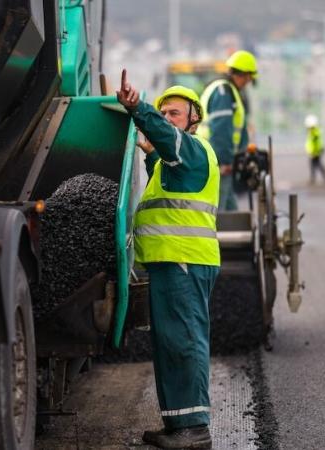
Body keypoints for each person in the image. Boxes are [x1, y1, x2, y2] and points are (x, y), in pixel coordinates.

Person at [118, 70, 220, 450]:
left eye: (173, 114)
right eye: (163, 112)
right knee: (169, 343)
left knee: (184, 340)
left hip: (184, 261)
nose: (166, 119)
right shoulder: (168, 164)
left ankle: (195, 428)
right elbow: (164, 172)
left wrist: (137, 109)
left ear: (193, 119)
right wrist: (148, 154)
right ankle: (179, 425)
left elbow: (166, 139)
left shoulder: (194, 149)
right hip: (170, 263)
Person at [197, 50, 258, 211]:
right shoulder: (223, 92)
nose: (248, 82)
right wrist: (225, 161)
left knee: (231, 210)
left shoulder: (227, 90)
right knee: (218, 213)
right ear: (244, 74)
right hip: (218, 162)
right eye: (249, 78)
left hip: (221, 159)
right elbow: (221, 129)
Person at [304, 114, 325, 185]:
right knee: (316, 164)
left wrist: (313, 152)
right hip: (315, 151)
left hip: (315, 152)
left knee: (315, 165)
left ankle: (314, 179)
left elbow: (315, 144)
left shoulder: (314, 133)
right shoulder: (314, 132)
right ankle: (315, 178)